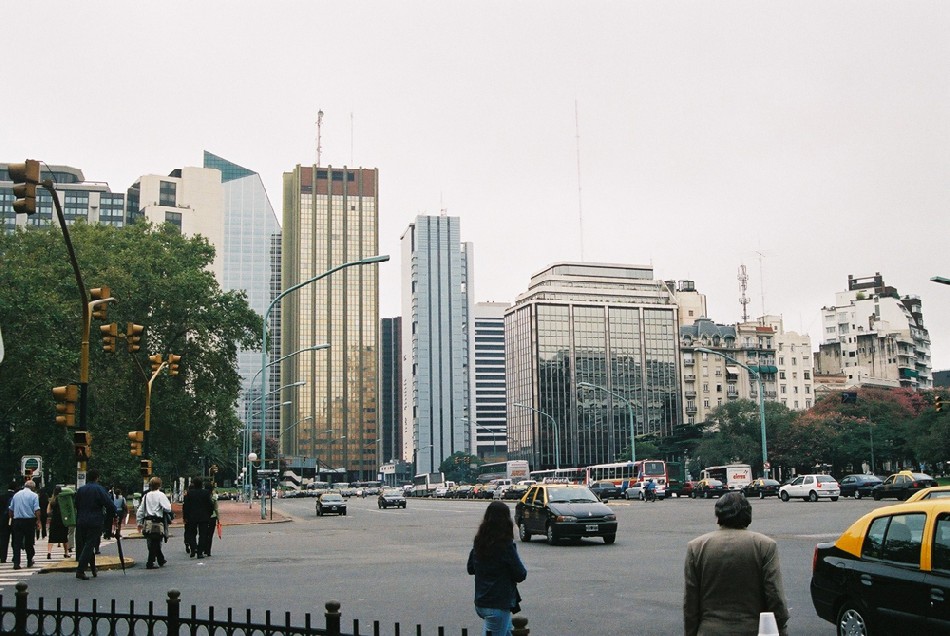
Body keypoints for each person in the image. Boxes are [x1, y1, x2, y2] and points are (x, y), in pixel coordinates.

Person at [684, 491, 790, 636]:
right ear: (748, 515)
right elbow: (774, 595)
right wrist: (780, 628)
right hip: (753, 629)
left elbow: (690, 602)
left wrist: (691, 632)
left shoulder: (696, 547)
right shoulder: (765, 545)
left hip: (710, 630)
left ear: (718, 516)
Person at [466, 500, 527, 636]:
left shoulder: (479, 541)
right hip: (497, 605)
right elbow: (521, 574)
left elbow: (470, 568)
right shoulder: (505, 545)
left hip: (481, 602)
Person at [73, 469, 116, 580]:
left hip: (81, 520)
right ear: (97, 478)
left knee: (87, 545)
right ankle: (80, 569)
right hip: (95, 520)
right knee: (90, 544)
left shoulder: (81, 490)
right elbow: (109, 504)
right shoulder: (99, 489)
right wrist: (112, 515)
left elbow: (76, 504)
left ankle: (92, 568)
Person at [136, 476, 171, 569]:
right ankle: (150, 561)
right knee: (156, 541)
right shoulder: (161, 495)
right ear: (159, 485)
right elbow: (168, 508)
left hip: (148, 521)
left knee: (152, 541)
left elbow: (140, 510)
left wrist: (139, 522)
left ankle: (160, 559)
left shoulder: (146, 496)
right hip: (157, 521)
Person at [8, 480, 40, 570]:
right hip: (29, 521)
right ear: (33, 487)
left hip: (17, 521)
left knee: (17, 542)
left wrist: (11, 519)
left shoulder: (16, 495)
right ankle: (29, 560)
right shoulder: (34, 495)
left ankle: (16, 563)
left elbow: (11, 509)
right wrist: (38, 521)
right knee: (29, 542)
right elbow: (36, 509)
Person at [182, 477, 214, 559]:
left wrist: (185, 516)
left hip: (192, 516)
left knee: (191, 534)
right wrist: (209, 514)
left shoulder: (189, 493)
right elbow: (210, 505)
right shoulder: (206, 493)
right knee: (203, 534)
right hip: (204, 516)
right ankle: (200, 552)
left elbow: (186, 506)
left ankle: (194, 548)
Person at [45, 485, 71, 559]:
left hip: (54, 520)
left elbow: (48, 511)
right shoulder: (64, 499)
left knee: (52, 537)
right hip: (63, 520)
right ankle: (66, 553)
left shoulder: (52, 500)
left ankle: (49, 552)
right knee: (64, 537)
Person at [200, 487, 220, 557]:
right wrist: (218, 518)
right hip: (213, 517)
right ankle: (208, 550)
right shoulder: (213, 497)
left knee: (203, 534)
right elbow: (216, 508)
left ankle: (202, 548)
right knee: (210, 535)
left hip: (204, 516)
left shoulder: (202, 497)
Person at [0, 480, 17, 563]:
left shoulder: (2, 496)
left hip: (3, 520)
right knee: (15, 538)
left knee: (3, 539)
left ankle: (3, 557)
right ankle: (15, 556)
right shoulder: (16, 496)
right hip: (14, 519)